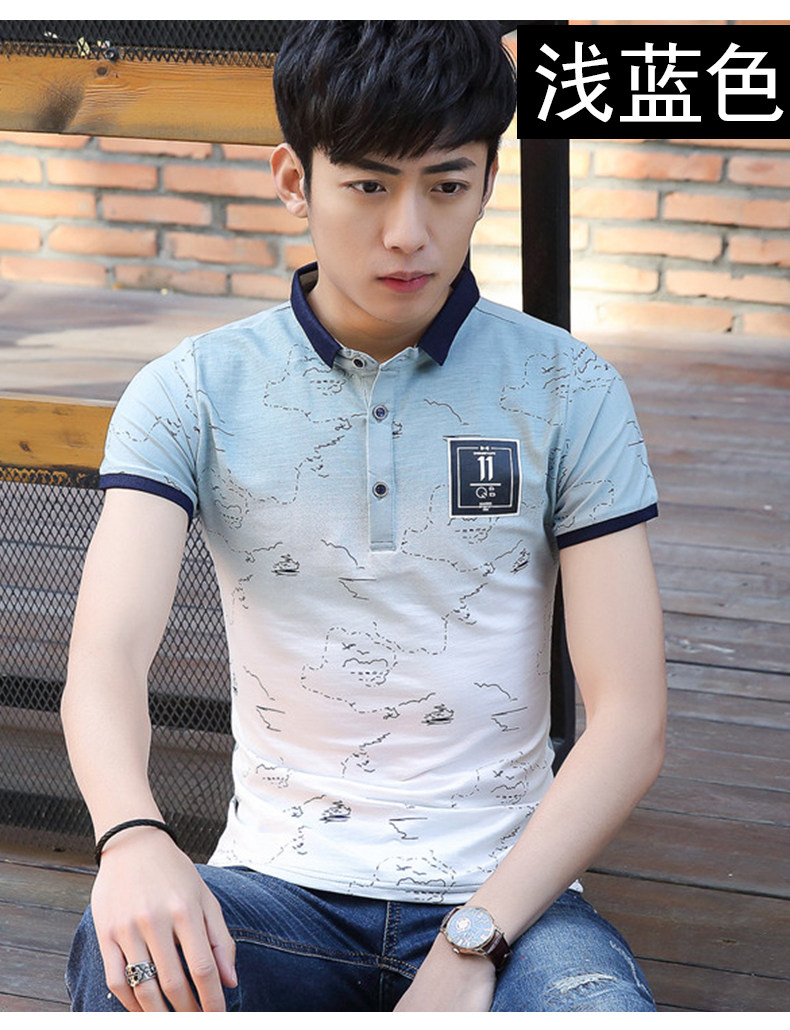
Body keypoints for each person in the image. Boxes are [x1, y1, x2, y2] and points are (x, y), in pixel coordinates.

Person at [62, 21, 666, 1013]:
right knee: (129, 954)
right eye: (369, 185)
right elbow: (107, 656)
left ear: (487, 180)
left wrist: (474, 937)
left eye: (446, 184)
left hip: (511, 905)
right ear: (294, 181)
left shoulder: (568, 387)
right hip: (276, 890)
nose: (408, 232)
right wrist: (131, 839)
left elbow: (631, 717)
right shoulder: (193, 390)